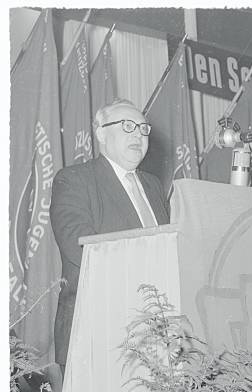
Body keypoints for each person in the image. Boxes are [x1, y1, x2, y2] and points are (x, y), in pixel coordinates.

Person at [51, 99, 169, 373]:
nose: (138, 134)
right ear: (101, 133)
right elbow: (79, 246)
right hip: (96, 331)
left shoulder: (153, 186)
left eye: (143, 128)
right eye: (127, 126)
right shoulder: (74, 180)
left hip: (154, 335)